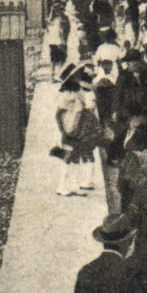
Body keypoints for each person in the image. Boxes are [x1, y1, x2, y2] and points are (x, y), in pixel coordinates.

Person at [54, 63, 102, 197]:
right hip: (71, 130)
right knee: (69, 157)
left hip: (74, 130)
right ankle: (63, 186)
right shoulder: (68, 95)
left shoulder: (74, 93)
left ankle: (72, 185)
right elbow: (61, 114)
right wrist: (65, 130)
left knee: (73, 157)